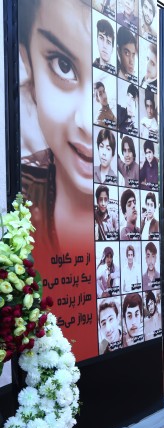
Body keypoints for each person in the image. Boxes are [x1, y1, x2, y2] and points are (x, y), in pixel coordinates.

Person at [20, 0, 94, 254]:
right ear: (28, 64)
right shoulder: (19, 194)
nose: (88, 122)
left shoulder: (148, 213)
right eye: (63, 65)